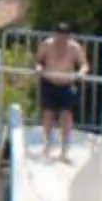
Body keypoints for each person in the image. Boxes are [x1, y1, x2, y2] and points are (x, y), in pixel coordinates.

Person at [34, 23, 89, 162]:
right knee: (48, 115)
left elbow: (84, 64)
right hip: (49, 82)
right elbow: (37, 60)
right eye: (59, 38)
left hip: (66, 84)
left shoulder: (74, 47)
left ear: (68, 37)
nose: (61, 42)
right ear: (55, 35)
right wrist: (39, 68)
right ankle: (47, 143)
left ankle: (65, 148)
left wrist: (81, 72)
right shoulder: (46, 45)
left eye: (64, 38)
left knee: (66, 116)